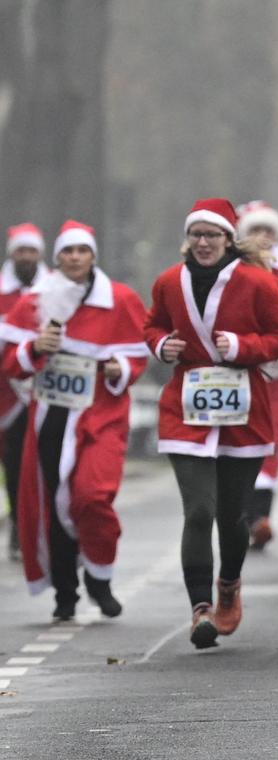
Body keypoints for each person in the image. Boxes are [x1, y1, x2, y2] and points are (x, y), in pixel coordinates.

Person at [144, 198, 278, 649]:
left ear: (228, 240)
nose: (203, 243)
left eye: (212, 235)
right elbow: (152, 325)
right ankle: (200, 610)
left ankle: (228, 583)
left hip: (243, 409)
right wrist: (161, 346)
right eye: (196, 235)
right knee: (198, 511)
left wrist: (242, 345)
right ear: (187, 240)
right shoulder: (169, 282)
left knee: (232, 515)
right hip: (185, 406)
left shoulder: (256, 282)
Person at [0, 221, 148, 620]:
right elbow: (11, 365)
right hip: (50, 415)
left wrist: (118, 368)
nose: (76, 258)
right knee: (51, 502)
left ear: (93, 255)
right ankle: (65, 592)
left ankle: (100, 576)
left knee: (92, 495)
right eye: (68, 252)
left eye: (83, 250)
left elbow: (137, 354)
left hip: (102, 414)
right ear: (58, 257)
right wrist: (35, 348)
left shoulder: (119, 299)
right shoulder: (34, 301)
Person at [236, 201, 278, 550]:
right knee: (243, 439)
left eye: (269, 231)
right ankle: (246, 516)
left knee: (270, 437)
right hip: (241, 368)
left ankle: (261, 518)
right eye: (255, 231)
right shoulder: (231, 270)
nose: (262, 238)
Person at [0, 223, 50, 562]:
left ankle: (45, 527)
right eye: (21, 251)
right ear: (12, 254)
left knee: (48, 461)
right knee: (15, 462)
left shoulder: (55, 289)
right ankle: (19, 523)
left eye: (31, 251)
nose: (26, 257)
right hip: (8, 390)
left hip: (48, 390)